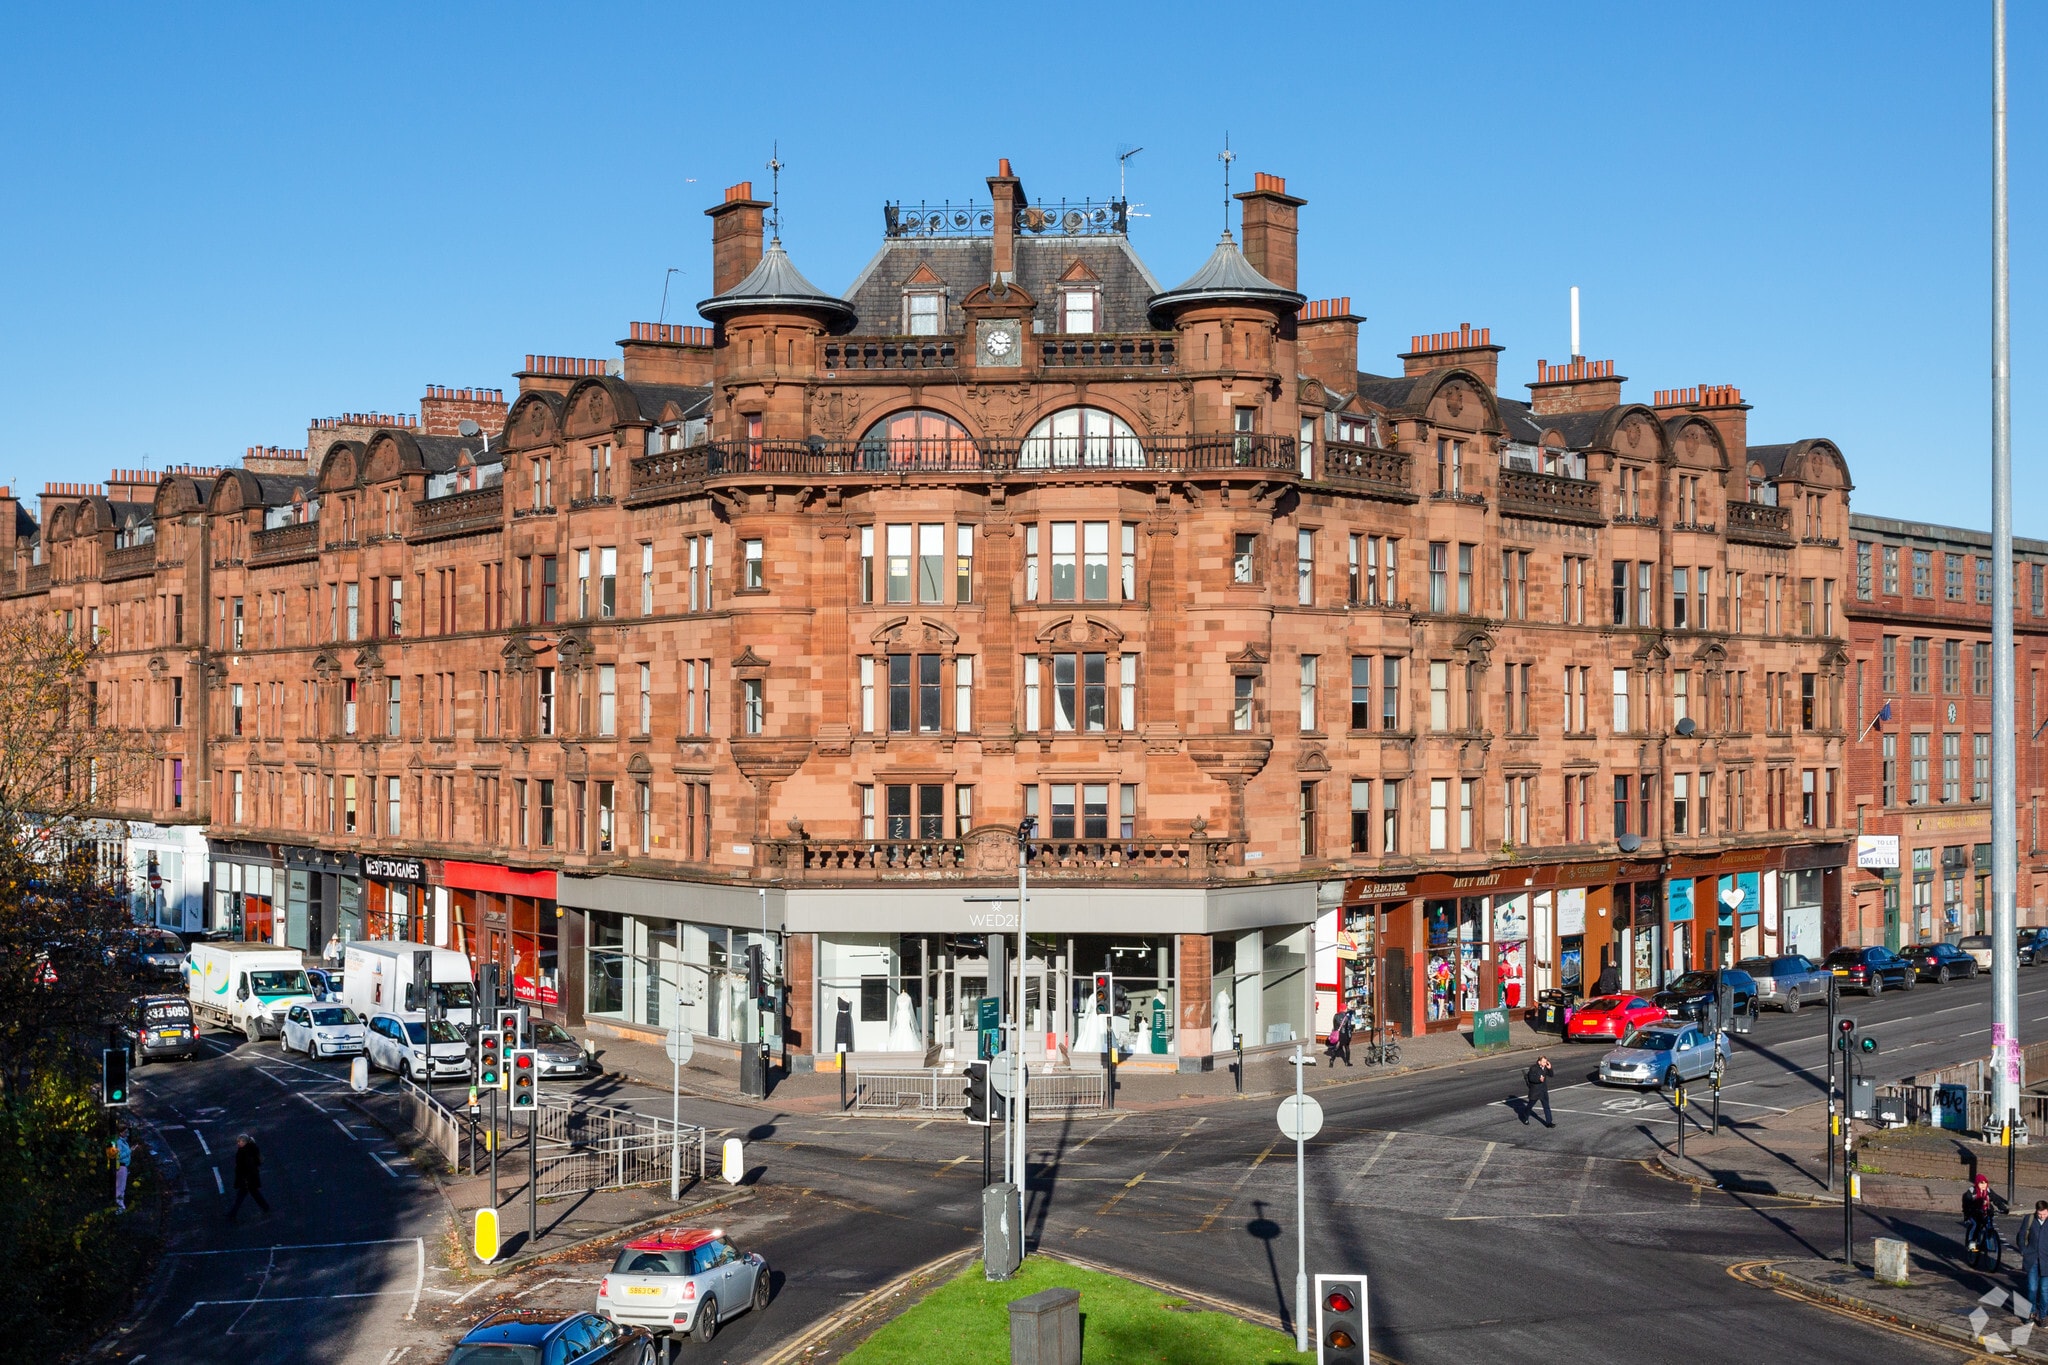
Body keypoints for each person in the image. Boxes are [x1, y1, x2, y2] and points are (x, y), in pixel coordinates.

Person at [229, 1134, 270, 1220]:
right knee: (254, 1193)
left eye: (240, 1141)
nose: (238, 1143)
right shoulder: (249, 1150)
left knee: (241, 1196)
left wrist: (245, 1178)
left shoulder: (245, 1152)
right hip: (250, 1178)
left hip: (247, 1179)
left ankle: (232, 1214)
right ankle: (265, 1207)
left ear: (244, 1142)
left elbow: (247, 1167)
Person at [2022, 1200, 2048, 1323]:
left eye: (2044, 1214)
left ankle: (2042, 1316)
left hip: (2046, 1262)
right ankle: (2031, 1312)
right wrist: (2024, 1251)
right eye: (2040, 1214)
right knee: (2032, 1288)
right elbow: (2021, 1236)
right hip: (2032, 1260)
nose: (2042, 1216)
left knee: (2044, 1290)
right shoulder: (2030, 1219)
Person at [1966, 1172, 1996, 1250]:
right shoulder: (1972, 1191)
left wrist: (2003, 1208)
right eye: (1981, 1183)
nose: (1983, 1185)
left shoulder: (1988, 1191)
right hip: (1974, 1213)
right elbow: (1968, 1201)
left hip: (1985, 1212)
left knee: (1989, 1224)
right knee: (1975, 1225)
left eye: (1985, 1183)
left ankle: (1988, 1242)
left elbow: (1997, 1199)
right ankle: (1971, 1242)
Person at [106, 1124, 132, 1213]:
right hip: (121, 1166)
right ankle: (119, 1208)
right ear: (121, 1133)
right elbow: (118, 1156)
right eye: (126, 1132)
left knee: (121, 1187)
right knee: (120, 1187)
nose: (127, 1134)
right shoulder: (119, 1142)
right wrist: (129, 1151)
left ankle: (121, 1206)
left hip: (123, 1166)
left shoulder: (122, 1141)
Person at [1523, 1055, 1554, 1128]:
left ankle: (1549, 1122)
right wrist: (1539, 1080)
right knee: (1530, 1106)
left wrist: (1550, 1068)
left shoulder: (1545, 1067)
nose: (1545, 1063)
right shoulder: (1533, 1068)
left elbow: (1551, 1075)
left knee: (1546, 1106)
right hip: (1535, 1091)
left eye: (1546, 1062)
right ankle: (1525, 1116)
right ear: (1539, 1062)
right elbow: (1531, 1078)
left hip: (1543, 1091)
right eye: (1543, 1062)